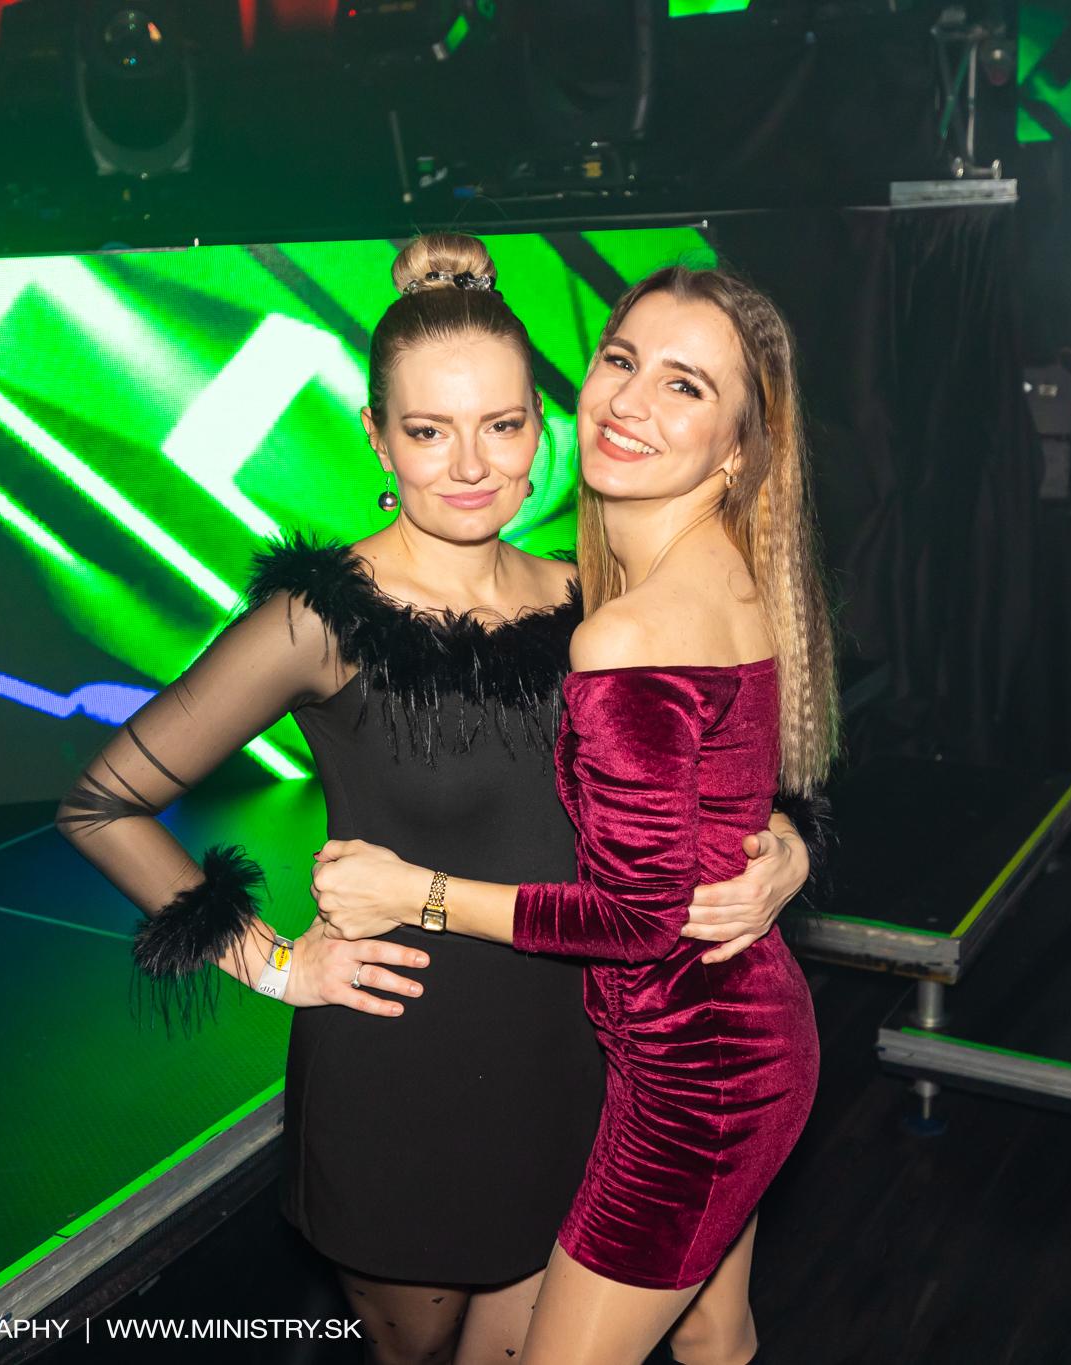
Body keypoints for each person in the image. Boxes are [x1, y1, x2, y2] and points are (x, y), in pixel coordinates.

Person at [56, 233, 820, 1365]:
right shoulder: (321, 620)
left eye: (500, 426)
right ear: (377, 437)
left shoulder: (592, 602)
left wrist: (784, 846)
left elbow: (705, 773)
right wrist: (275, 964)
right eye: (427, 431)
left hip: (580, 1074)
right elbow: (99, 804)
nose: (468, 466)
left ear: (541, 430)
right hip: (399, 1077)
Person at [313, 263, 838, 1365]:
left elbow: (637, 920)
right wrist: (788, 844)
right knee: (713, 1339)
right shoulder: (709, 579)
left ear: (738, 449)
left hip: (696, 1074)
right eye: (620, 359)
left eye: (685, 386)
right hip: (735, 1038)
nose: (630, 401)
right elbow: (737, 789)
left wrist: (414, 893)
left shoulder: (628, 632)